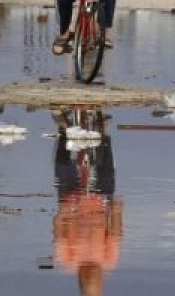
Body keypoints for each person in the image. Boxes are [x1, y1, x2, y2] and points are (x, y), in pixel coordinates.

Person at [52, 107, 122, 296]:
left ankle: (63, 129)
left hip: (71, 202)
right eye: (96, 282)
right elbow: (115, 233)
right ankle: (104, 134)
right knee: (107, 177)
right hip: (99, 201)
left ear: (81, 282)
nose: (92, 276)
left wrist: (63, 212)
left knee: (63, 172)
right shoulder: (108, 260)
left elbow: (59, 233)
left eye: (89, 281)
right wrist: (116, 210)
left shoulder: (68, 261)